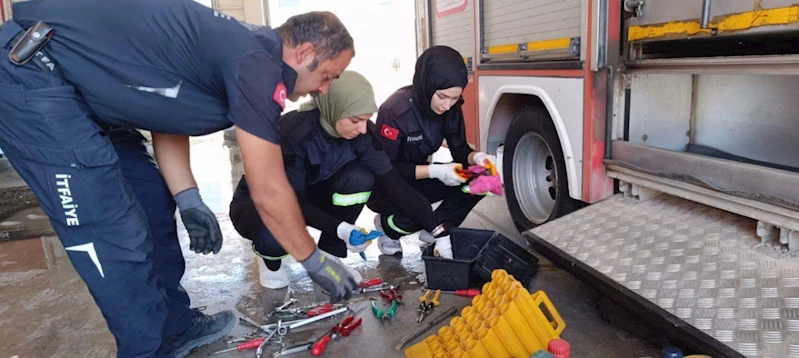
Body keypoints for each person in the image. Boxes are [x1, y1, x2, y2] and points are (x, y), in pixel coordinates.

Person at [0, 1, 360, 356]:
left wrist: (187, 197)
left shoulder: (242, 49)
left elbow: (168, 109)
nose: (324, 89)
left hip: (86, 93)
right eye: (328, 75)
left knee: (153, 202)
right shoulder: (256, 63)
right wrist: (314, 260)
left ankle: (174, 326)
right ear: (305, 51)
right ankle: (146, 350)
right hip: (35, 74)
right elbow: (267, 188)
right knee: (109, 228)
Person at [230, 71, 447, 288]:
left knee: (360, 179)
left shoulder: (363, 134)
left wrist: (438, 232)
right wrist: (343, 229)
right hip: (263, 203)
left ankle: (330, 254)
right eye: (355, 120)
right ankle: (270, 261)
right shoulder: (293, 133)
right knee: (275, 235)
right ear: (335, 109)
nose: (362, 128)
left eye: (366, 119)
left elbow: (397, 185)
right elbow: (292, 204)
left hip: (310, 194)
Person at [368, 46, 497, 257]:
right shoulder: (394, 110)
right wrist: (436, 171)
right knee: (414, 213)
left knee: (480, 180)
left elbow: (459, 148)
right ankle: (387, 226)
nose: (447, 105)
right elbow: (386, 171)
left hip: (420, 175)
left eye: (454, 98)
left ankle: (438, 228)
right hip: (389, 185)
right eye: (442, 97)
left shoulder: (450, 107)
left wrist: (478, 158)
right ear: (427, 84)